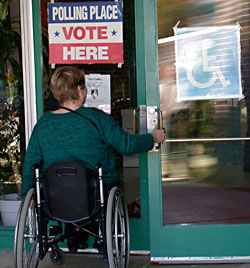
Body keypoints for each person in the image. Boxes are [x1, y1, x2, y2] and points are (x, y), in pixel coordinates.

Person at [20, 66, 165, 250]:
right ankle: (101, 236)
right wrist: (152, 138)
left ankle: (74, 236)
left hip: (57, 196)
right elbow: (126, 145)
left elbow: (31, 162)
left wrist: (27, 193)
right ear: (80, 90)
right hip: (98, 193)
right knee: (96, 184)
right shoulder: (96, 118)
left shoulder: (43, 124)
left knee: (66, 182)